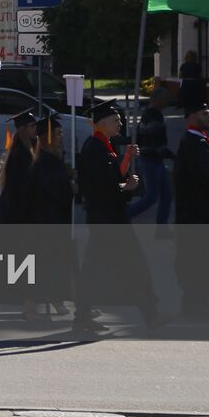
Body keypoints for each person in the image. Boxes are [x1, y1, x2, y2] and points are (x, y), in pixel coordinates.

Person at [74, 100, 161, 333]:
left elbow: (112, 174)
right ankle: (150, 314)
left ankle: (149, 313)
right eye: (115, 120)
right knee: (131, 265)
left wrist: (126, 160)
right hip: (107, 218)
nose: (120, 122)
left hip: (108, 217)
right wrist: (126, 187)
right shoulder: (94, 147)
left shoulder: (105, 145)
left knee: (102, 268)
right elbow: (100, 185)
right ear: (101, 124)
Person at [172, 101, 209, 318]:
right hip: (195, 215)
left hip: (204, 213)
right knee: (195, 261)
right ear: (191, 116)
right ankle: (192, 304)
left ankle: (201, 302)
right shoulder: (192, 143)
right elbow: (204, 176)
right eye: (204, 113)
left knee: (205, 260)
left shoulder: (202, 142)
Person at [0, 110, 39, 316]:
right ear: (23, 129)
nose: (36, 130)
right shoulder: (20, 154)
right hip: (15, 215)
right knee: (7, 258)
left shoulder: (27, 150)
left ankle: (17, 299)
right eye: (32, 126)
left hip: (15, 213)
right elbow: (22, 188)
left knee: (12, 258)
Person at [24, 112, 76, 314]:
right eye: (59, 133)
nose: (62, 137)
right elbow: (60, 192)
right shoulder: (48, 162)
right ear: (48, 137)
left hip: (43, 221)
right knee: (49, 265)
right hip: (49, 223)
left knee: (48, 265)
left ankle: (48, 302)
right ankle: (33, 305)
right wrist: (71, 186)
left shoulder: (44, 159)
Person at [127, 87, 174, 231]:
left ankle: (162, 227)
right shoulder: (153, 115)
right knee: (152, 196)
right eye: (165, 99)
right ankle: (125, 214)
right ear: (157, 100)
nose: (167, 102)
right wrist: (171, 155)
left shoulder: (151, 113)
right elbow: (155, 140)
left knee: (166, 194)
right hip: (150, 160)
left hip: (153, 159)